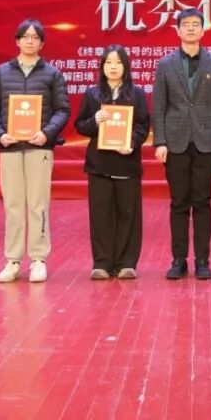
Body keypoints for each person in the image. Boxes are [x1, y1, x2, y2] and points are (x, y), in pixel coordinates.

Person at [0, 19, 70, 284]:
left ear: (42, 43)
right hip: (9, 148)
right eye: (25, 37)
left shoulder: (52, 74)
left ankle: (38, 259)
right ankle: (13, 260)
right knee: (13, 205)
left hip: (39, 147)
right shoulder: (2, 72)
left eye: (35, 37)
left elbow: (62, 110)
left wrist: (46, 133)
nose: (29, 41)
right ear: (17, 41)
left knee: (37, 204)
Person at [152, 8, 211, 280]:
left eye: (196, 24)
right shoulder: (165, 64)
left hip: (206, 141)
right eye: (186, 24)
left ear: (203, 30)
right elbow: (159, 106)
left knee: (203, 202)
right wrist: (159, 141)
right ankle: (178, 259)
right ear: (177, 30)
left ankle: (203, 260)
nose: (191, 28)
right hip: (174, 142)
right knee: (178, 202)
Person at [74, 45, 151, 280]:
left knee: (128, 214)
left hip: (127, 163)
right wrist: (94, 121)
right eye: (108, 62)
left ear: (125, 66)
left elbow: (143, 125)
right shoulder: (92, 94)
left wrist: (132, 144)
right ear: (102, 66)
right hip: (100, 164)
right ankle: (102, 262)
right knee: (101, 215)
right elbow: (80, 126)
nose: (113, 67)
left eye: (118, 62)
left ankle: (127, 262)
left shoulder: (137, 94)